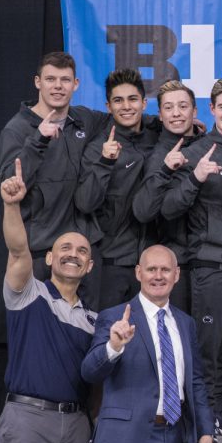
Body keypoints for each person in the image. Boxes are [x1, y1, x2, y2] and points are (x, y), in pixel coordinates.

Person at [0, 159, 96, 443]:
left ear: (90, 265)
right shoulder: (28, 294)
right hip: (27, 421)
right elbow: (17, 249)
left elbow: (96, 383)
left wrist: (92, 438)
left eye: (81, 251)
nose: (73, 254)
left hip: (75, 426)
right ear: (49, 258)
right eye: (64, 248)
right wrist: (12, 206)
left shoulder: (94, 321)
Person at [82, 245, 215, 443]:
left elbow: (194, 381)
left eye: (165, 270)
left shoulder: (185, 323)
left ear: (176, 275)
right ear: (138, 273)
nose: (158, 276)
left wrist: (205, 432)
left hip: (170, 442)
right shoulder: (115, 317)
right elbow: (89, 371)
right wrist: (114, 346)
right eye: (151, 269)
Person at [162, 77, 222, 441]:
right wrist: (196, 179)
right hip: (210, 263)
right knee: (210, 349)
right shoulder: (195, 152)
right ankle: (212, 415)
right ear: (212, 110)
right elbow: (169, 208)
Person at [0, 52, 107, 308]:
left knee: (86, 335)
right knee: (41, 337)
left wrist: (167, 125)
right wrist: (39, 140)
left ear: (76, 84)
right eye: (51, 79)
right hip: (40, 254)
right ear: (38, 82)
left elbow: (123, 119)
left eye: (65, 80)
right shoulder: (17, 129)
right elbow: (9, 185)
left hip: (81, 252)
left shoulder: (83, 119)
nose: (58, 86)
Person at [77, 68, 159, 310]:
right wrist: (105, 162)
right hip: (111, 262)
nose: (126, 106)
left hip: (149, 263)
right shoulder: (98, 147)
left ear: (144, 103)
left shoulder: (157, 136)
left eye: (133, 99)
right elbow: (85, 203)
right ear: (108, 106)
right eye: (118, 100)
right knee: (106, 336)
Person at [132, 79, 203, 312]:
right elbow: (143, 212)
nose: (176, 114)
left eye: (183, 106)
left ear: (194, 111)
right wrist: (165, 171)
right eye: (168, 108)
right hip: (178, 261)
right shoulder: (156, 158)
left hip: (211, 260)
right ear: (160, 115)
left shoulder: (206, 143)